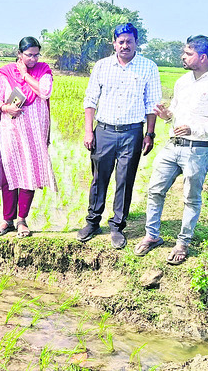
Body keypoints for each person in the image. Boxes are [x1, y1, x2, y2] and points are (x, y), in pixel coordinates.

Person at [134, 35, 208, 264]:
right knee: (155, 190)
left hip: (198, 150)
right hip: (172, 146)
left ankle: (182, 243)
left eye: (188, 53)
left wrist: (194, 129)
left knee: (191, 197)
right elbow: (175, 114)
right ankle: (152, 235)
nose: (183, 57)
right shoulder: (183, 82)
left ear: (203, 57)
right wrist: (168, 116)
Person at [77, 23, 162, 249]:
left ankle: (117, 226)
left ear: (136, 43)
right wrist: (88, 131)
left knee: (125, 180)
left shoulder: (148, 67)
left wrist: (149, 134)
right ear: (114, 43)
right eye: (121, 41)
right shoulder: (102, 66)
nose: (125, 46)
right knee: (99, 179)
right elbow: (90, 100)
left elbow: (151, 104)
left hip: (132, 133)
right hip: (103, 131)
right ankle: (93, 221)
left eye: (129, 41)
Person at [0, 36, 56, 237]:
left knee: (29, 173)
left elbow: (45, 92)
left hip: (35, 132)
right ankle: (7, 220)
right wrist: (5, 107)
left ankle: (22, 221)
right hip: (11, 131)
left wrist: (25, 74)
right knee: (10, 172)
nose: (33, 59)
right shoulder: (6, 73)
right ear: (19, 54)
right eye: (29, 55)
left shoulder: (44, 70)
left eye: (36, 55)